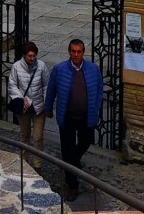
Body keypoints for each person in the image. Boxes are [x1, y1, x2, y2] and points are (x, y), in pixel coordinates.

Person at [45, 38, 103, 202]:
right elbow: (51, 89)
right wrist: (48, 107)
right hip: (67, 117)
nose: (76, 54)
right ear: (69, 52)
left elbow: (99, 89)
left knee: (85, 142)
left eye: (79, 51)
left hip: (86, 117)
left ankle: (73, 161)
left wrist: (97, 106)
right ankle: (72, 185)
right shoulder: (60, 69)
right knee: (67, 150)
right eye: (73, 51)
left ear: (83, 52)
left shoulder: (92, 69)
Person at [8, 41, 50, 170]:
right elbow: (12, 84)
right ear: (24, 55)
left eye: (34, 56)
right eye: (29, 56)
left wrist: (46, 103)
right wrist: (21, 99)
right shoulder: (16, 67)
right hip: (24, 107)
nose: (32, 58)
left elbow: (46, 85)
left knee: (38, 137)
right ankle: (24, 162)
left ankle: (38, 165)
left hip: (38, 106)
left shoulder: (41, 66)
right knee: (24, 134)